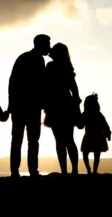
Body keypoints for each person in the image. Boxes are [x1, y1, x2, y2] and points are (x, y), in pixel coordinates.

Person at [8, 34, 51, 178]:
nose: (49, 48)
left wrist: (11, 104)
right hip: (28, 106)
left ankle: (19, 171)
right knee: (29, 140)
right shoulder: (34, 59)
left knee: (21, 140)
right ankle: (29, 171)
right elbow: (41, 85)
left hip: (24, 106)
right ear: (40, 44)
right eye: (47, 45)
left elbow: (13, 82)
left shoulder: (27, 58)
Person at [43, 42, 81, 175]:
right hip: (65, 104)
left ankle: (65, 170)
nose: (50, 50)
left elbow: (46, 86)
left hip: (56, 105)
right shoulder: (66, 67)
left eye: (53, 49)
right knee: (68, 140)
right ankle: (73, 170)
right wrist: (77, 106)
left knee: (60, 140)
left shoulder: (51, 66)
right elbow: (74, 88)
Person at [80, 93, 111, 175]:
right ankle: (93, 171)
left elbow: (80, 125)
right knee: (95, 155)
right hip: (98, 136)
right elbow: (106, 126)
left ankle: (90, 170)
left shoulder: (87, 114)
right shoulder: (98, 114)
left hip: (91, 136)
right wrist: (108, 134)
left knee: (86, 154)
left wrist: (108, 134)